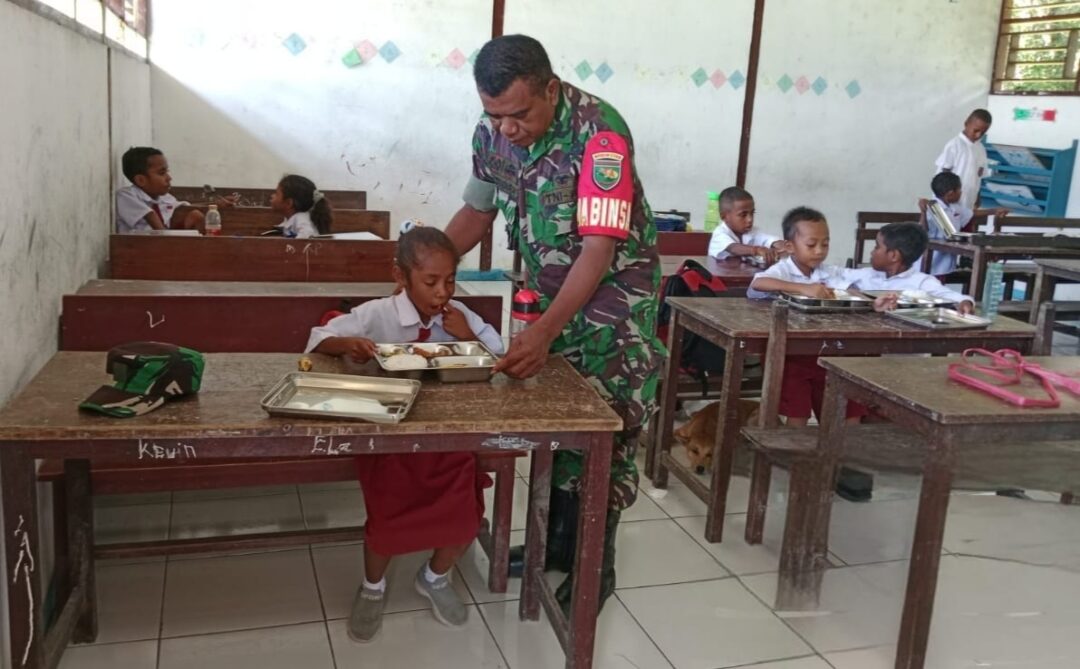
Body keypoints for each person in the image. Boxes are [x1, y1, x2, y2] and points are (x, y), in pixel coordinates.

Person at [444, 34, 665, 616]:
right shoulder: (492, 130)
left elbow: (598, 249)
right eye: (495, 114)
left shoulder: (600, 134)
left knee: (608, 425)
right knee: (558, 425)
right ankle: (558, 543)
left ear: (550, 88)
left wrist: (542, 333)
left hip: (614, 309)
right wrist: (427, 264)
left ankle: (597, 563)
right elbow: (477, 209)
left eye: (519, 114)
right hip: (549, 302)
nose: (507, 128)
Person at [304, 226, 503, 642]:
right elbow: (318, 338)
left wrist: (468, 335)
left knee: (464, 519)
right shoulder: (378, 314)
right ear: (400, 276)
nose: (442, 292)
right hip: (392, 440)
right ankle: (372, 587)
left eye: (450, 281)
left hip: (449, 438)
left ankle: (434, 577)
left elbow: (498, 352)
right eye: (430, 282)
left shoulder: (458, 316)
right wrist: (347, 344)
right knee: (387, 523)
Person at [746, 207, 871, 428]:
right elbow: (758, 283)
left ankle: (841, 449)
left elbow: (852, 288)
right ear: (789, 246)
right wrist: (803, 288)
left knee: (848, 416)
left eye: (825, 244)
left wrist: (872, 301)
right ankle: (794, 451)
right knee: (797, 417)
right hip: (791, 354)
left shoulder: (828, 272)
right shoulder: (783, 270)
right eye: (811, 245)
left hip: (830, 351)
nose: (819, 251)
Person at [842, 222, 974, 313]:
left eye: (877, 247)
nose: (872, 252)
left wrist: (965, 302)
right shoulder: (866, 274)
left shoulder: (921, 282)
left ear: (893, 256)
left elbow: (953, 296)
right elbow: (834, 273)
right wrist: (851, 289)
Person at [919, 171, 1008, 277]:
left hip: (946, 261)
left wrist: (994, 211)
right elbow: (922, 231)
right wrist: (923, 212)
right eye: (959, 190)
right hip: (931, 261)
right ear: (950, 194)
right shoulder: (932, 208)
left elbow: (970, 214)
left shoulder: (954, 207)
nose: (961, 193)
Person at [116, 147, 206, 233]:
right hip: (142, 241)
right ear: (141, 180)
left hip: (165, 237)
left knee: (196, 215)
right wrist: (165, 239)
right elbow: (150, 215)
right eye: (162, 173)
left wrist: (211, 207)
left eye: (167, 172)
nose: (169, 178)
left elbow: (183, 209)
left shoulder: (164, 197)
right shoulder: (127, 195)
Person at [934, 108, 992, 212]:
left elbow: (978, 177)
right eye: (976, 130)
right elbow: (944, 173)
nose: (978, 135)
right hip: (949, 203)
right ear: (966, 123)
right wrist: (947, 197)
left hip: (969, 202)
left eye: (983, 132)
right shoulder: (954, 145)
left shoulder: (981, 149)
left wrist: (978, 196)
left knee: (966, 220)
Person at [706, 186, 783, 263]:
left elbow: (767, 239)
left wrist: (779, 244)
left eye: (752, 213)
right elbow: (734, 248)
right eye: (743, 215)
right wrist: (757, 250)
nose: (750, 219)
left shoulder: (752, 231)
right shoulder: (719, 233)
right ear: (724, 217)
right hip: (718, 271)